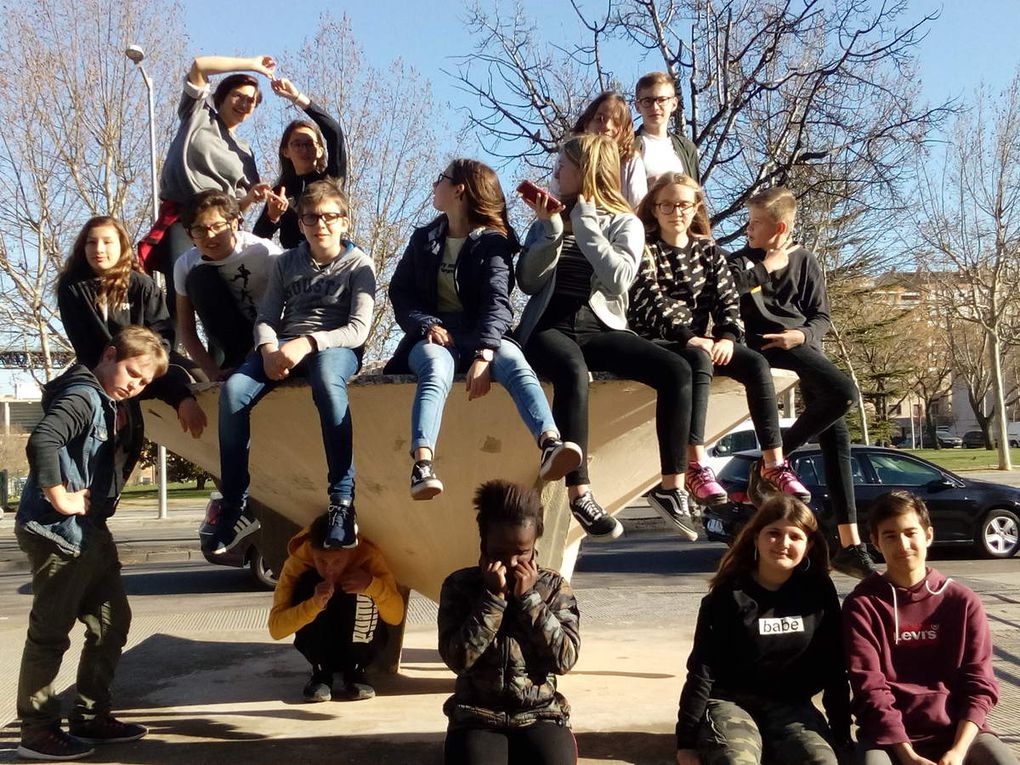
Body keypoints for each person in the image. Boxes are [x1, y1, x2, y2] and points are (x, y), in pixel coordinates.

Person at [517, 133, 697, 542]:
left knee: (676, 370)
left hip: (601, 326)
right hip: (549, 327)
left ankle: (673, 486)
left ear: (585, 170)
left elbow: (618, 279)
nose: (555, 172)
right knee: (572, 371)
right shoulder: (547, 219)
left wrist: (584, 223)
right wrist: (550, 230)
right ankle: (580, 492)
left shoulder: (624, 222)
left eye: (562, 165)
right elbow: (527, 282)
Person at [15, 327, 169, 761]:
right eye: (131, 372)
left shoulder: (112, 403)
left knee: (111, 622)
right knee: (49, 635)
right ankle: (38, 730)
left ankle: (90, 717)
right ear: (108, 354)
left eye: (143, 382)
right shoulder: (82, 396)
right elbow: (43, 439)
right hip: (57, 532)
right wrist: (59, 494)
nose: (134, 385)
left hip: (91, 531)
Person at [386, 159, 582, 499]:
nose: (435, 184)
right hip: (435, 335)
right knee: (436, 367)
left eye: (441, 178)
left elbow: (497, 302)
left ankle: (550, 444)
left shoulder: (494, 242)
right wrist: (426, 323)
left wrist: (484, 352)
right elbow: (400, 292)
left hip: (482, 333)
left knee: (516, 364)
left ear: (458, 190)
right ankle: (422, 465)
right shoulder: (424, 239)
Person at [210, 179, 375, 555]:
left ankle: (342, 504)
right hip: (285, 345)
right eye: (312, 217)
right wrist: (268, 348)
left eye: (330, 217)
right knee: (234, 392)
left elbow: (358, 329)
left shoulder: (359, 265)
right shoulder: (287, 262)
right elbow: (267, 315)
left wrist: (309, 343)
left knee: (328, 385)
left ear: (345, 221)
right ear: (300, 223)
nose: (321, 224)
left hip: (335, 347)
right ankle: (235, 505)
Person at [630, 174, 811, 515]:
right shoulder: (644, 247)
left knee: (756, 364)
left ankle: (774, 462)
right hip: (660, 341)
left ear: (696, 207)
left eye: (683, 204)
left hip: (703, 340)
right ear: (655, 208)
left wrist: (728, 336)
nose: (675, 212)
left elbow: (727, 300)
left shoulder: (707, 249)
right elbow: (650, 299)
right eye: (666, 204)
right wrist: (690, 336)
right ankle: (696, 464)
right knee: (697, 360)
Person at [727, 186, 876, 579]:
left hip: (800, 346)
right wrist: (769, 265)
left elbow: (820, 316)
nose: (747, 228)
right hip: (763, 349)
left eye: (756, 223)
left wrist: (802, 336)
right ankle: (774, 462)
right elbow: (734, 294)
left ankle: (850, 544)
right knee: (843, 396)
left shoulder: (807, 260)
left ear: (779, 226)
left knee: (839, 423)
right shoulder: (740, 261)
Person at [674, 495, 850, 765]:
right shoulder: (728, 595)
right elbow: (702, 670)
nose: (783, 543)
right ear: (756, 538)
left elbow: (834, 667)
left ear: (808, 545)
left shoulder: (818, 592)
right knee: (736, 760)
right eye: (774, 534)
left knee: (822, 761)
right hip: (732, 703)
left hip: (791, 707)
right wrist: (686, 742)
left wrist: (841, 735)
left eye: (795, 536)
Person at [843, 492, 1016, 765]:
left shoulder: (962, 601)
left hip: (959, 733)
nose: (903, 544)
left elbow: (980, 683)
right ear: (875, 542)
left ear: (928, 535)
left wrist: (958, 752)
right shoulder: (862, 605)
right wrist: (908, 756)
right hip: (890, 739)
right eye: (890, 535)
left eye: (911, 533)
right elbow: (869, 689)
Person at [439, 479, 580, 765]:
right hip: (476, 714)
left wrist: (530, 601)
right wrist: (492, 600)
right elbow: (458, 659)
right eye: (500, 553)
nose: (513, 562)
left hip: (540, 713)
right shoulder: (460, 586)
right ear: (484, 544)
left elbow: (565, 659)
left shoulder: (553, 587)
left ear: (534, 546)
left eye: (522, 552)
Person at [141, 54, 277, 304]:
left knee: (222, 293)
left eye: (252, 101)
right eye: (239, 95)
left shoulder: (244, 152)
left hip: (221, 225)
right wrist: (252, 66)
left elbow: (238, 206)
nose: (244, 104)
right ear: (222, 95)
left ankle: (224, 344)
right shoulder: (199, 115)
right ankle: (172, 343)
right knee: (180, 287)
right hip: (184, 218)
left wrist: (251, 197)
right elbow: (200, 66)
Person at [57, 215, 207, 438]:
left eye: (107, 242)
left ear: (122, 246)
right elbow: (85, 348)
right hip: (104, 369)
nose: (98, 249)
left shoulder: (141, 284)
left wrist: (177, 393)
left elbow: (163, 337)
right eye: (91, 242)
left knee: (199, 377)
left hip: (150, 362)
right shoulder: (72, 288)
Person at [268, 513, 404, 702]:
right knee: (308, 581)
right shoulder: (298, 562)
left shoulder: (368, 556)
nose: (330, 569)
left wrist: (371, 585)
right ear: (311, 550)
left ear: (352, 551)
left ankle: (356, 670)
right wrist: (314, 603)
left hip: (359, 639)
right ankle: (321, 671)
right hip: (320, 639)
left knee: (367, 586)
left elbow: (395, 616)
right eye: (321, 561)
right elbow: (276, 629)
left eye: (338, 561)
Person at [174, 190, 282, 381]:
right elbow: (187, 329)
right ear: (190, 235)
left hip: (276, 333)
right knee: (200, 278)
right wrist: (211, 372)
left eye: (217, 226)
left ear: (233, 224)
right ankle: (235, 362)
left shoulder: (264, 252)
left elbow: (295, 305)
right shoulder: (185, 265)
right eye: (200, 230)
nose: (210, 236)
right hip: (234, 338)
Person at [253, 77, 348, 248]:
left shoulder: (330, 180)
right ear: (285, 151)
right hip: (293, 266)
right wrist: (272, 217)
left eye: (310, 144)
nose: (304, 150)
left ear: (320, 150)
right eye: (297, 144)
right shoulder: (280, 191)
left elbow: (335, 133)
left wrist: (296, 97)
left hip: (330, 263)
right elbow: (257, 239)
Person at [551, 92, 647, 208]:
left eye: (616, 123)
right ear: (586, 123)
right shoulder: (567, 157)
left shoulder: (630, 161)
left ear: (624, 131)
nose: (607, 126)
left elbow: (638, 208)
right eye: (600, 119)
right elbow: (556, 198)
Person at [632, 72, 700, 184]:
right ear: (638, 107)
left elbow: (696, 196)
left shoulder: (687, 149)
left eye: (662, 100)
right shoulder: (627, 145)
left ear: (674, 104)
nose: (655, 107)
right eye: (647, 101)